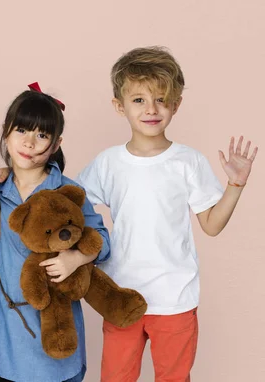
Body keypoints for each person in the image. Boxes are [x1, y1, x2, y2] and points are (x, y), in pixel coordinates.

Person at [76, 46, 258, 381]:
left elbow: (212, 225)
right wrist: (13, 177)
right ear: (120, 106)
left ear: (176, 104)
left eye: (161, 99)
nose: (152, 109)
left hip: (175, 299)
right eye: (139, 100)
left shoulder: (188, 162)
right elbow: (68, 201)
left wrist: (235, 185)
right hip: (122, 296)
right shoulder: (108, 163)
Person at [0, 85, 111, 382]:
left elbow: (103, 242)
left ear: (56, 144)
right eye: (21, 130)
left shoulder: (67, 192)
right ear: (5, 132)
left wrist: (75, 260)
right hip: (9, 334)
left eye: (41, 135)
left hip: (55, 330)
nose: (28, 142)